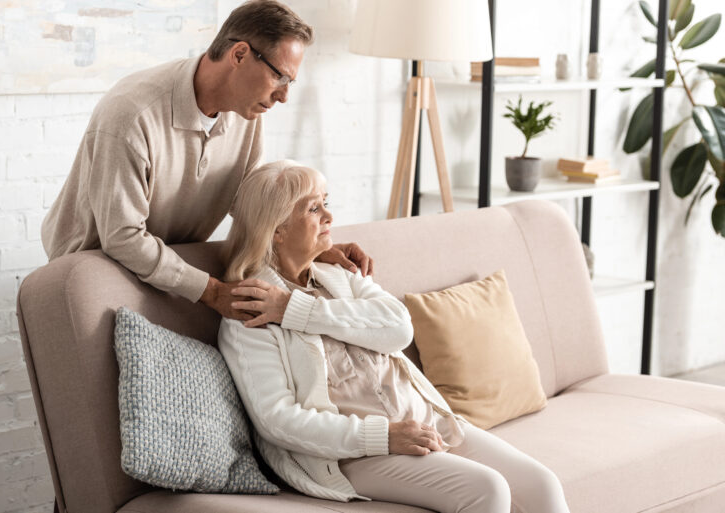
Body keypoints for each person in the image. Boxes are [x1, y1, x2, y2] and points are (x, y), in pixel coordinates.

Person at [217, 160, 571, 513]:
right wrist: (383, 436)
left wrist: (296, 309)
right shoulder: (247, 311)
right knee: (486, 489)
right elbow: (279, 421)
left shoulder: (338, 275)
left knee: (541, 484)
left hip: (428, 421)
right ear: (277, 229)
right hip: (352, 456)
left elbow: (398, 328)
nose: (329, 216)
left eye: (326, 202)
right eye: (314, 208)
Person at [40, 0, 371, 321]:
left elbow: (253, 206)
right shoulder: (132, 115)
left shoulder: (246, 113)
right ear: (239, 55)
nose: (284, 96)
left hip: (170, 263)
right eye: (279, 77)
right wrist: (212, 292)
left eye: (290, 83)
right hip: (94, 269)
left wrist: (313, 247)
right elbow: (123, 238)